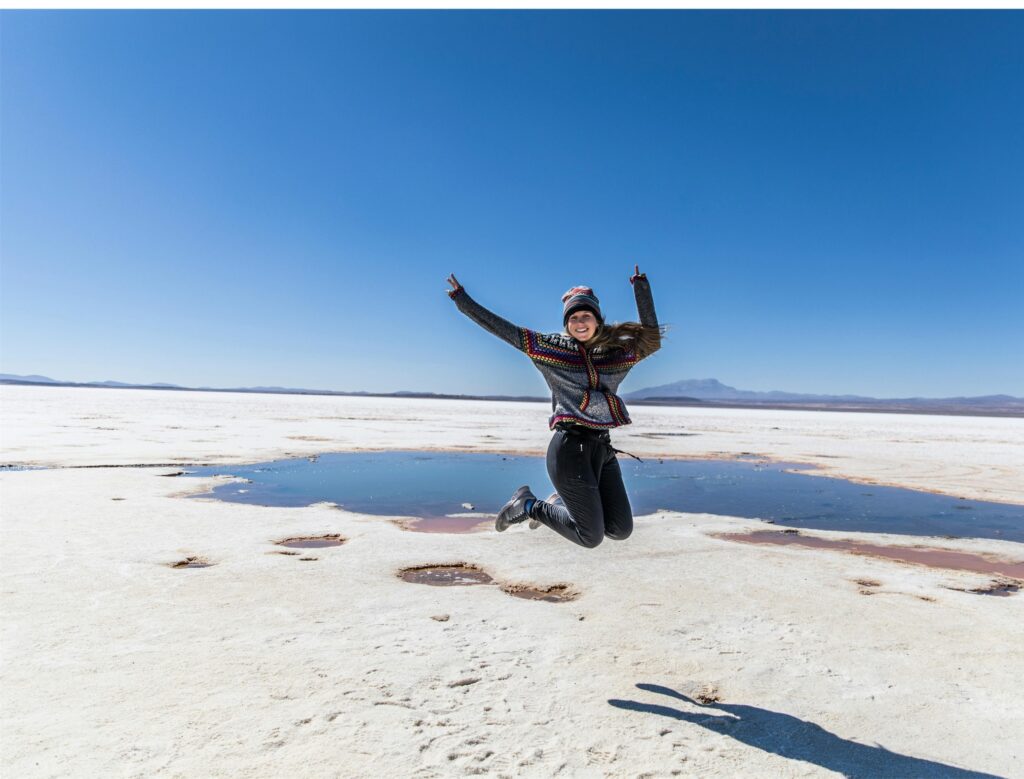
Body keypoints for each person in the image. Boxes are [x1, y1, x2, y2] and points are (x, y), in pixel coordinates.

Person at [446, 265, 662, 548]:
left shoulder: (615, 355)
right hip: (569, 449)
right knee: (590, 537)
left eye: (586, 316)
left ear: (598, 320)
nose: (580, 322)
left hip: (602, 449)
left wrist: (640, 288)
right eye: (573, 317)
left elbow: (653, 340)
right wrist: (464, 301)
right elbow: (503, 330)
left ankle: (557, 501)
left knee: (620, 529)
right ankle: (527, 506)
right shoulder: (550, 349)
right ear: (566, 323)